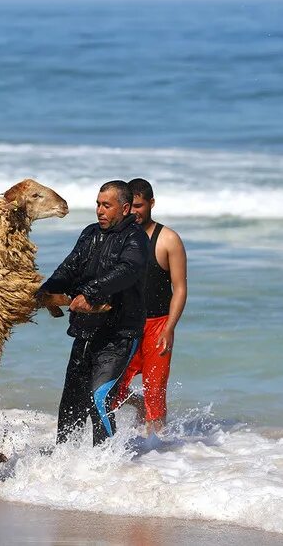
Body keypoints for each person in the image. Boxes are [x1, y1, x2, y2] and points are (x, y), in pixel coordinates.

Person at [37, 180, 149, 445]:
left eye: (106, 205)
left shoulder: (136, 238)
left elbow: (127, 271)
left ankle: (107, 462)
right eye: (98, 204)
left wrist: (89, 294)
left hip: (119, 335)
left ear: (124, 208)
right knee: (71, 405)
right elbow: (69, 268)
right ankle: (66, 459)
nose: (99, 210)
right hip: (86, 330)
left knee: (99, 399)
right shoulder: (90, 233)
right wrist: (45, 291)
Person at [112, 178, 187, 436]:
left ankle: (159, 450)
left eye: (139, 206)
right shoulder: (117, 238)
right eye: (130, 206)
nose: (134, 212)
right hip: (125, 325)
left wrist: (169, 328)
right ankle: (137, 405)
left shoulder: (168, 240)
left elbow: (180, 288)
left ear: (151, 203)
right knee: (112, 391)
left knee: (155, 394)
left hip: (158, 325)